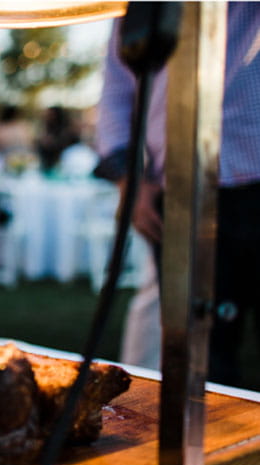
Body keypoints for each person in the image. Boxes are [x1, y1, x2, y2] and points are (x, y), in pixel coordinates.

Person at [95, 6, 260, 386]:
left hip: (253, 180)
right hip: (181, 188)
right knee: (198, 360)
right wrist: (128, 179)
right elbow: (116, 93)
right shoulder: (144, 7)